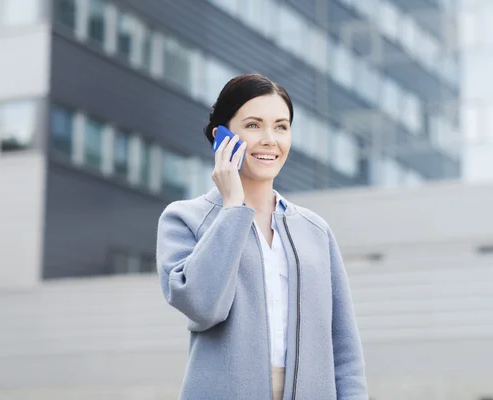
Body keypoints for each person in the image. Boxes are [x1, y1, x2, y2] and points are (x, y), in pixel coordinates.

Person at [156, 73, 368, 400]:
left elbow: (345, 347)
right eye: (254, 125)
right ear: (221, 136)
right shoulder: (185, 218)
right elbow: (202, 307)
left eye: (281, 126)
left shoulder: (315, 231)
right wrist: (232, 209)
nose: (270, 139)